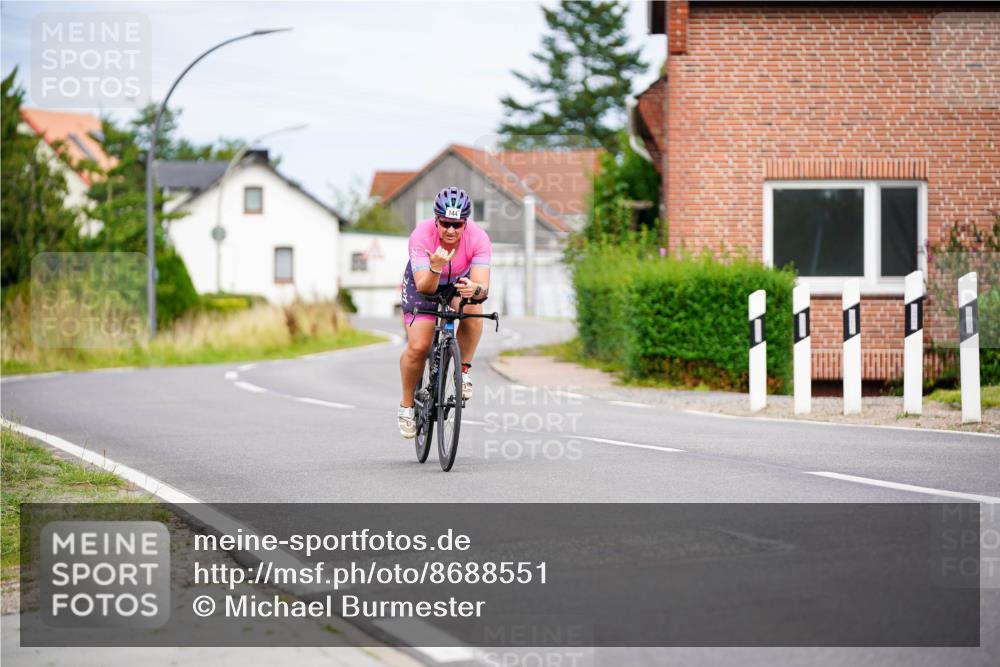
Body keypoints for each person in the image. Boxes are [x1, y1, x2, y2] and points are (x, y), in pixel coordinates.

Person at [397, 187, 492, 438]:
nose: (451, 230)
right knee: (419, 346)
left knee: (473, 305)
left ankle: (462, 372)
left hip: (456, 283)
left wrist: (476, 288)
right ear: (436, 220)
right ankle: (406, 407)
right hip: (424, 282)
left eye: (457, 225)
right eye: (445, 224)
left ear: (465, 223)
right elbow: (425, 287)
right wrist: (436, 267)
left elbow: (483, 289)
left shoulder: (479, 238)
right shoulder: (421, 235)